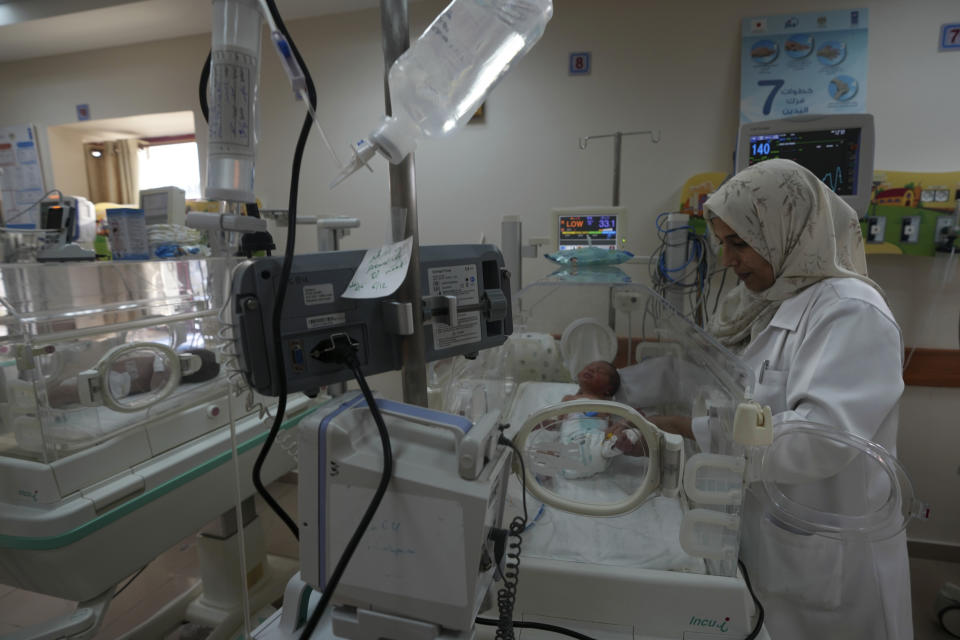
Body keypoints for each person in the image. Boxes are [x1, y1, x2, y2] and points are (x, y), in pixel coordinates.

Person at [649, 158, 911, 640]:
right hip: (770, 543)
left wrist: (694, 430)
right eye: (723, 243)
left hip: (828, 558)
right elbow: (710, 376)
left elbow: (821, 441)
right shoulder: (768, 302)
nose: (727, 261)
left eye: (739, 243)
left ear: (785, 231)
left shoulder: (849, 311)